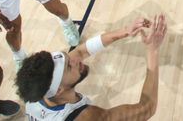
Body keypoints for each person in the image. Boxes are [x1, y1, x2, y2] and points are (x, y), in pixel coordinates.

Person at [16, 15, 167, 120]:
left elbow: (82, 51)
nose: (75, 60)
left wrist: (125, 31)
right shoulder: (86, 117)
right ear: (59, 89)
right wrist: (152, 51)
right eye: (69, 66)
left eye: (68, 58)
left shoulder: (35, 91)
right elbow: (147, 109)